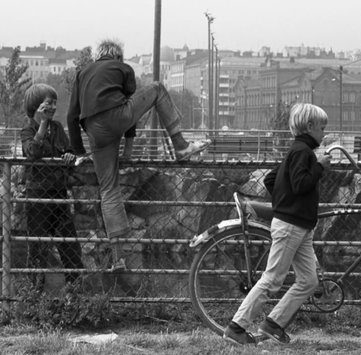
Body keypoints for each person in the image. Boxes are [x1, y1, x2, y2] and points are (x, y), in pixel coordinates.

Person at [66, 39, 211, 270]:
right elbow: (127, 111)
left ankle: (118, 258)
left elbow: (72, 116)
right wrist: (129, 149)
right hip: (117, 117)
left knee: (109, 190)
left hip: (95, 129)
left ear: (98, 56)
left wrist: (79, 152)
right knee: (157, 89)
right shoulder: (123, 69)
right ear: (118, 56)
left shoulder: (82, 73)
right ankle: (181, 145)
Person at [223, 103, 332, 345]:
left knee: (308, 281)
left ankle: (273, 324)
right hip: (292, 225)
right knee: (273, 279)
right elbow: (301, 184)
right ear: (310, 126)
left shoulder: (298, 150)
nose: (324, 133)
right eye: (322, 128)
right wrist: (319, 167)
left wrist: (284, 202)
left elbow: (273, 179)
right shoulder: (304, 153)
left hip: (299, 226)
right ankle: (236, 327)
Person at [21, 83, 84, 285]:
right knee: (37, 247)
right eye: (49, 103)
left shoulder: (57, 128)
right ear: (36, 105)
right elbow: (32, 152)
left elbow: (70, 152)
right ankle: (34, 291)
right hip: (37, 195)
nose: (53, 107)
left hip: (58, 192)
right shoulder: (28, 129)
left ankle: (74, 287)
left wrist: (68, 156)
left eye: (55, 103)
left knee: (69, 244)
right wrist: (42, 125)